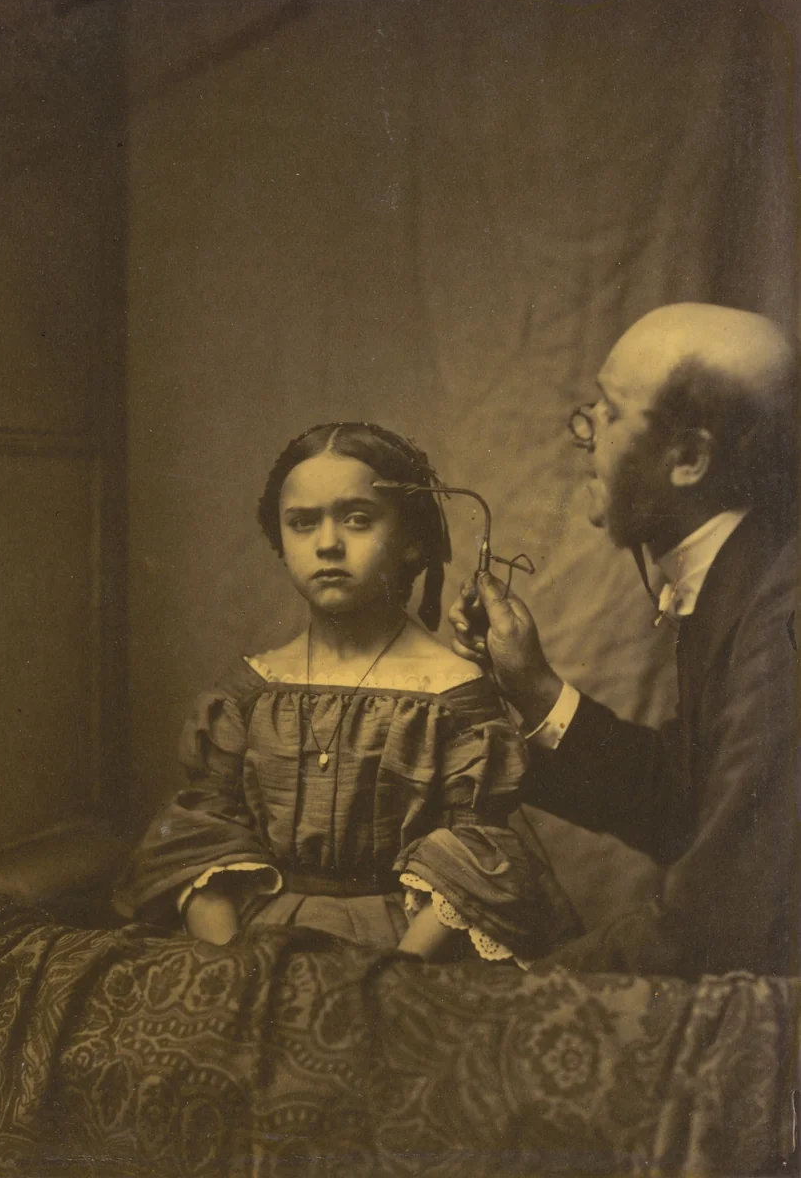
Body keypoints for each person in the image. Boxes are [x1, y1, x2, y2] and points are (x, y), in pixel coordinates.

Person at [113, 422, 579, 963]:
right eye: (303, 523)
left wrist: (390, 980)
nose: (328, 543)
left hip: (406, 957)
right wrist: (235, 972)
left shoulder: (454, 697)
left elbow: (474, 856)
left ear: (411, 541)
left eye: (358, 519)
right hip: (254, 954)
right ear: (281, 542)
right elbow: (200, 841)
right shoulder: (248, 693)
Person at [450, 303, 799, 977]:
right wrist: (537, 690)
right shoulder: (741, 573)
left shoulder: (781, 616)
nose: (584, 435)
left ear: (690, 458)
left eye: (607, 413)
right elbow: (685, 808)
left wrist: (521, 991)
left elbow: (717, 918)